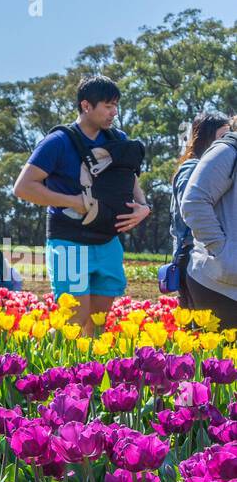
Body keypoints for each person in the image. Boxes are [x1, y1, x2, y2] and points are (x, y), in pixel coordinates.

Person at [13, 74, 151, 336]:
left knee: (97, 324)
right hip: (69, 241)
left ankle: (87, 373)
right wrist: (73, 202)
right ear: (86, 106)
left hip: (107, 240)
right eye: (108, 106)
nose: (114, 112)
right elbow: (23, 187)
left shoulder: (117, 138)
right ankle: (44, 364)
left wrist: (144, 206)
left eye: (116, 106)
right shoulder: (58, 142)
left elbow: (130, 177)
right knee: (73, 323)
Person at [180, 115, 237, 329]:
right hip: (221, 284)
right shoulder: (227, 151)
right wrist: (222, 251)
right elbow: (194, 201)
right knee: (222, 360)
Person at [171, 112, 231, 310]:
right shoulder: (192, 167)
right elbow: (189, 208)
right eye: (223, 135)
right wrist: (222, 247)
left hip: (206, 249)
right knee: (194, 324)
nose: (227, 140)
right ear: (205, 137)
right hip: (191, 251)